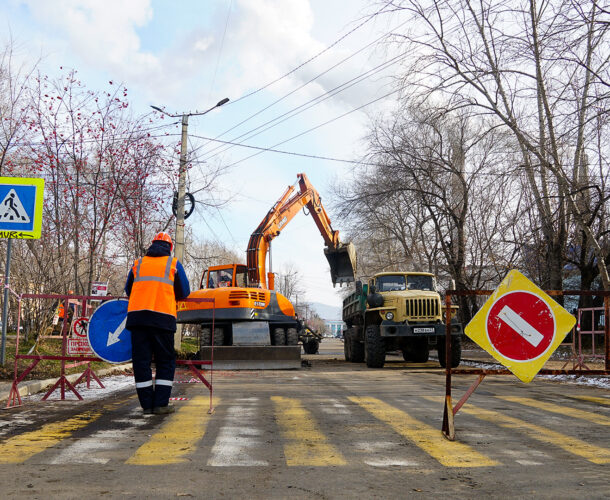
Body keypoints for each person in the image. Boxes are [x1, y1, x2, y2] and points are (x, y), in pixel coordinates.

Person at [124, 232, 191, 415]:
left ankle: (146, 405)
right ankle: (161, 404)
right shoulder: (173, 264)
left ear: (151, 245)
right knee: (165, 361)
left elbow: (129, 289)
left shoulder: (138, 264)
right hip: (163, 318)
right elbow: (184, 292)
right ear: (169, 248)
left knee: (141, 362)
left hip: (138, 319)